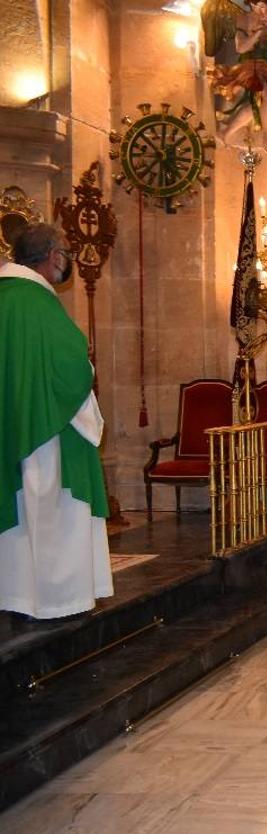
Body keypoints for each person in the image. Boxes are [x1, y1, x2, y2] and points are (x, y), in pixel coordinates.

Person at [0, 223, 113, 619]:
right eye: (64, 253)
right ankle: (56, 598)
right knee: (47, 509)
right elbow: (73, 368)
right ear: (52, 257)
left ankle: (12, 596)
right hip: (46, 432)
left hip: (7, 431)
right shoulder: (38, 303)